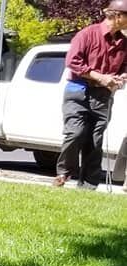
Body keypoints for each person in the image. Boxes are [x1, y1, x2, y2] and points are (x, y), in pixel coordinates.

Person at [56, 0, 127, 188]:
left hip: (103, 96)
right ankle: (63, 173)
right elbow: (73, 61)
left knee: (95, 141)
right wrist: (100, 77)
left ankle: (88, 186)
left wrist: (119, 79)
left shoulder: (124, 42)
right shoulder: (87, 34)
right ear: (118, 16)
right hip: (78, 91)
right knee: (76, 133)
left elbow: (125, 67)